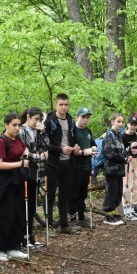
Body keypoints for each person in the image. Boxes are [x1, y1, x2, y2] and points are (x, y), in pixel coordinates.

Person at [0, 114, 29, 262]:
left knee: (17, 214)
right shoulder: (1, 141)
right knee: (4, 216)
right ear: (6, 125)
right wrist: (19, 164)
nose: (17, 128)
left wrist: (28, 156)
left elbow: (25, 151)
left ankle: (13, 246)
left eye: (19, 125)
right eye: (14, 125)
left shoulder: (18, 139)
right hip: (4, 184)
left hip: (17, 181)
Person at [44, 93, 81, 234]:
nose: (64, 107)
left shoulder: (70, 120)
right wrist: (60, 149)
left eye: (66, 104)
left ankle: (64, 225)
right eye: (61, 104)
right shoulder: (49, 122)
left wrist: (75, 147)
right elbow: (45, 144)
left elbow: (73, 138)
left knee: (65, 195)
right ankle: (49, 226)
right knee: (51, 195)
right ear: (56, 104)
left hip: (68, 162)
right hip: (53, 163)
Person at [18, 107, 48, 247]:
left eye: (39, 119)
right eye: (36, 119)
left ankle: (30, 235)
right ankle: (23, 236)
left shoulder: (37, 130)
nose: (37, 122)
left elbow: (46, 145)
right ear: (28, 117)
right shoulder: (21, 130)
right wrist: (38, 156)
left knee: (33, 205)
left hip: (36, 170)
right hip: (25, 170)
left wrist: (42, 131)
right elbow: (22, 151)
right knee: (25, 203)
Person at [69, 107, 97, 229]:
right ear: (77, 117)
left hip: (86, 166)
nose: (85, 120)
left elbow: (94, 144)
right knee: (74, 193)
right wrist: (85, 152)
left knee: (83, 193)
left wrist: (94, 149)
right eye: (83, 117)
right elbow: (73, 151)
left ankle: (81, 217)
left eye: (87, 118)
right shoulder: (73, 131)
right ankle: (72, 218)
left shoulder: (88, 131)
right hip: (75, 166)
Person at [102, 113, 128, 226]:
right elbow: (109, 153)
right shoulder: (109, 135)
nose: (120, 124)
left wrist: (127, 155)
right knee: (111, 192)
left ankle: (113, 212)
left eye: (122, 122)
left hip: (119, 170)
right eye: (118, 121)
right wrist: (123, 159)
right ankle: (108, 215)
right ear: (112, 121)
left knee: (117, 193)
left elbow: (122, 150)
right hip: (111, 169)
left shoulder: (119, 136)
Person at [121, 116, 137, 222]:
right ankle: (126, 208)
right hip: (127, 162)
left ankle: (133, 207)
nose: (133, 127)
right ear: (128, 124)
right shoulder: (123, 136)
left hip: (136, 161)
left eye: (135, 125)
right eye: (132, 124)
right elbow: (120, 150)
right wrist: (129, 148)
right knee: (127, 186)